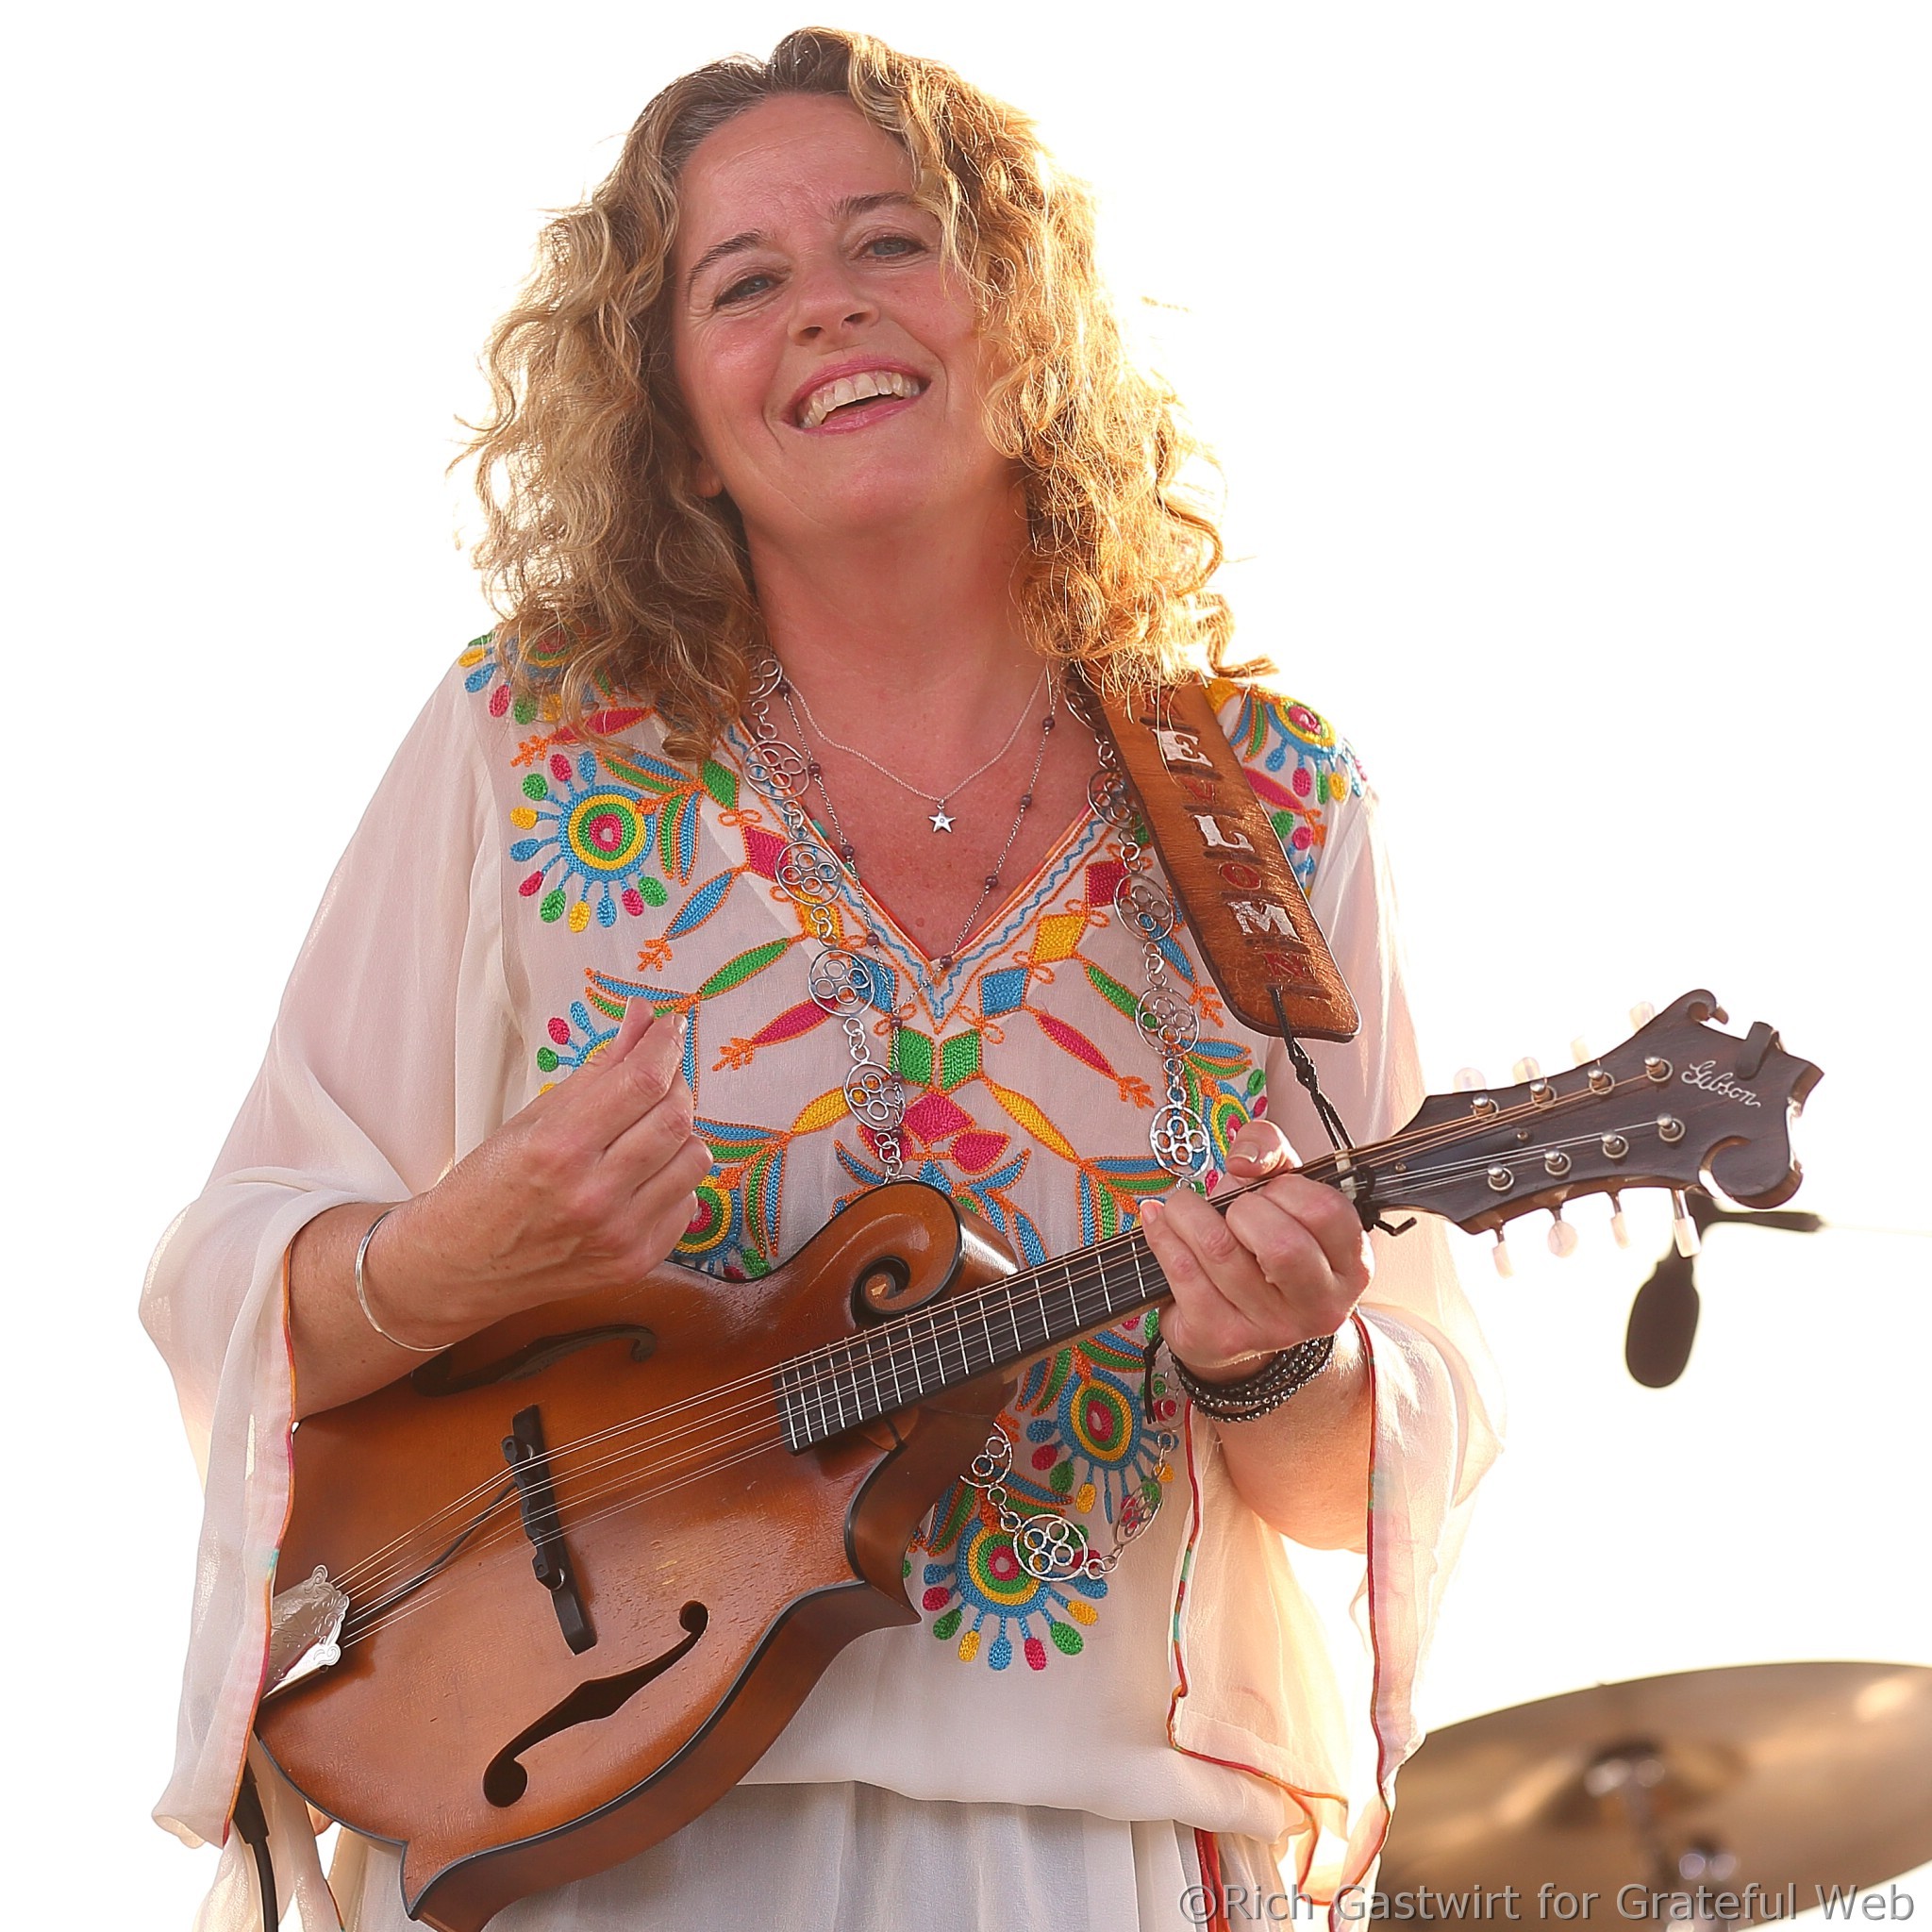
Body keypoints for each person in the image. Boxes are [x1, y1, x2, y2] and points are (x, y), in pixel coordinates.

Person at [142, 26, 1501, 1932]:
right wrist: (440, 1259)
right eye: (743, 281)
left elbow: (1387, 1433)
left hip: (1089, 1860)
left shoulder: (1264, 801)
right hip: (593, 1837)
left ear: (1023, 315)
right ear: (668, 405)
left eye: (891, 241)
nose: (827, 310)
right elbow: (224, 1275)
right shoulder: (528, 745)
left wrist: (1274, 1352)